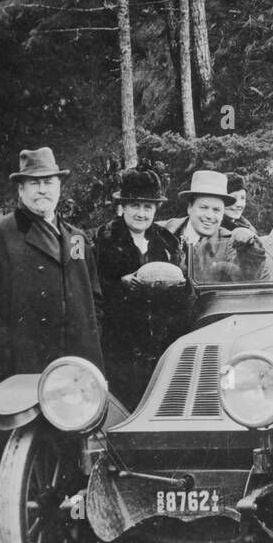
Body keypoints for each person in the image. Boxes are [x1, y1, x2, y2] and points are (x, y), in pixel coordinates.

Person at [0, 147, 104, 483]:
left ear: (59, 187)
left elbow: (92, 297)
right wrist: (7, 348)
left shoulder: (77, 238)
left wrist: (92, 346)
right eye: (34, 183)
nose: (43, 190)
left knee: (71, 465)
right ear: (20, 189)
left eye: (49, 181)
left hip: (75, 375)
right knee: (17, 470)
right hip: (21, 371)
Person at [93, 168, 188, 406]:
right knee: (125, 405)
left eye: (148, 207)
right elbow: (93, 288)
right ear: (122, 207)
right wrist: (119, 285)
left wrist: (176, 285)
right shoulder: (104, 239)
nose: (141, 213)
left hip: (162, 343)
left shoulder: (167, 241)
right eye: (135, 206)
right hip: (120, 346)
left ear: (156, 209)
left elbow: (184, 287)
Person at [161, 170, 268, 283]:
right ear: (190, 208)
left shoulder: (229, 242)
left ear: (222, 214)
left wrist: (250, 246)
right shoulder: (165, 231)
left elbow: (248, 278)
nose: (209, 216)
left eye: (216, 210)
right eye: (203, 208)